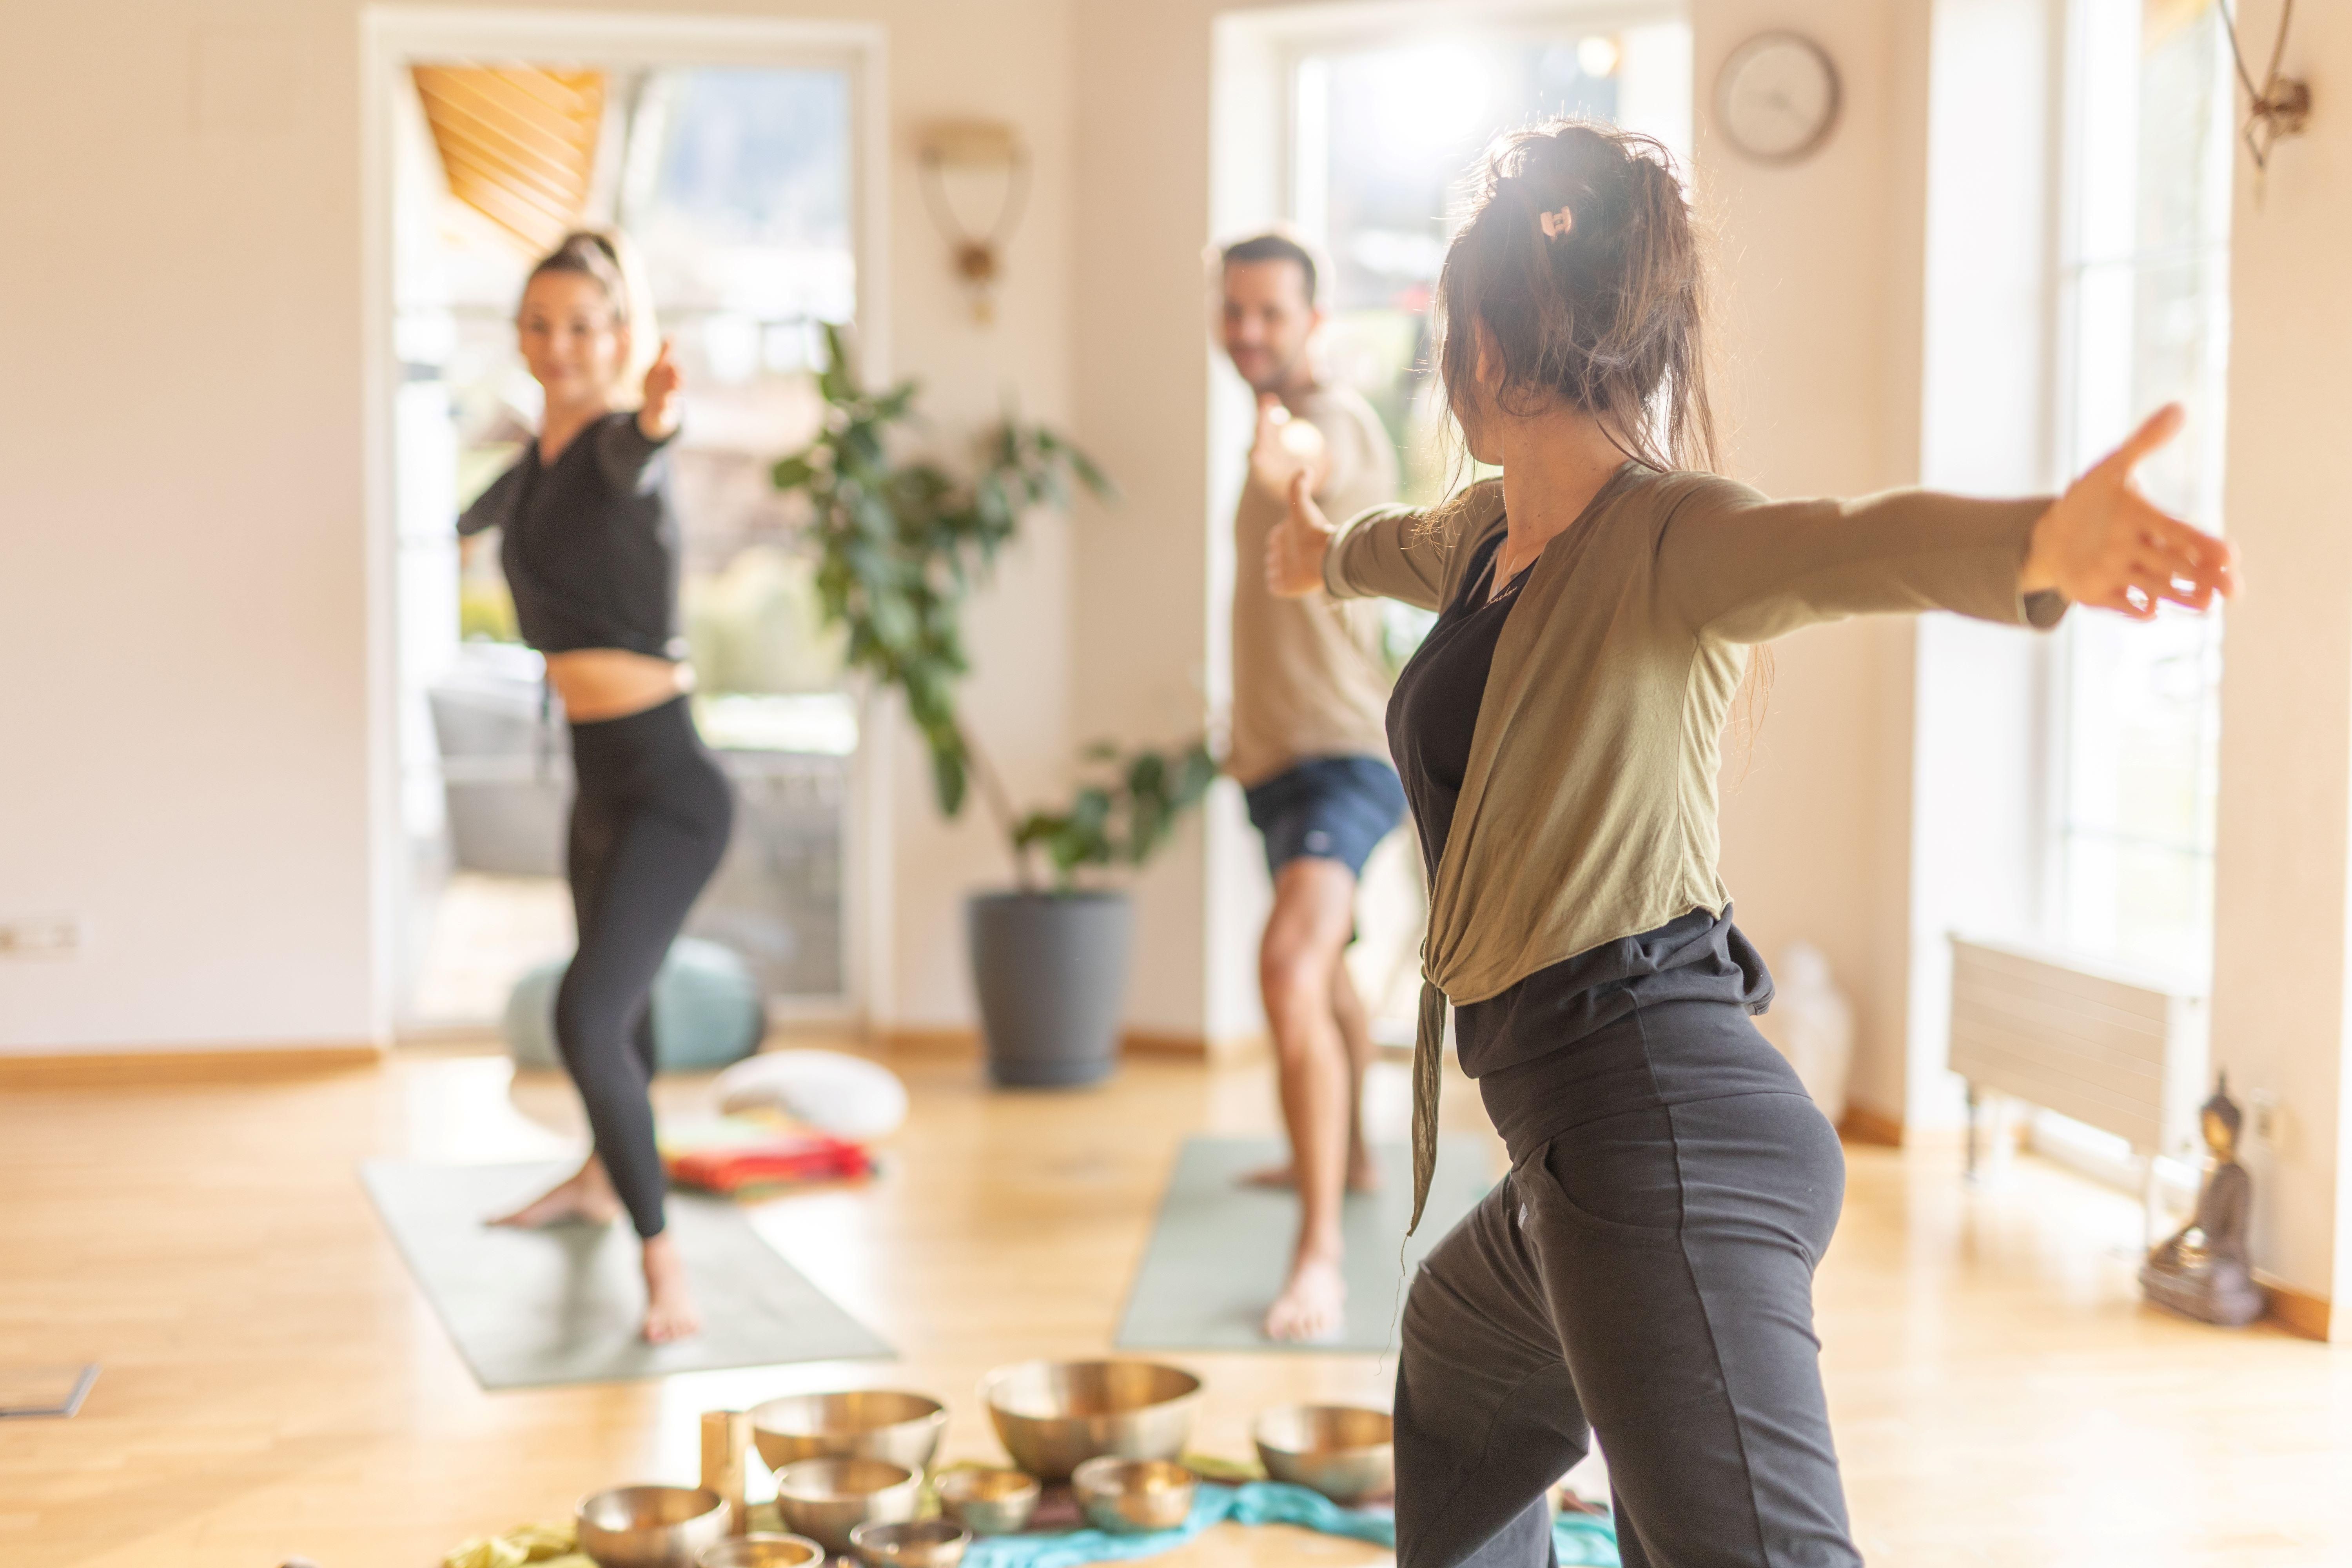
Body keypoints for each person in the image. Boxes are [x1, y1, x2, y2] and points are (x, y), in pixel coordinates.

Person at [1265, 122, 2234, 1566]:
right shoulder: (1485, 538)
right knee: (1462, 1364)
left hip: (1661, 1130)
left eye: (1446, 325)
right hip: (1572, 1140)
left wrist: (2039, 544)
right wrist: (1315, 549)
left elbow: (1838, 544)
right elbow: (1386, 546)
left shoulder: (1670, 535)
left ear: (1492, 341)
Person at [457, 231, 733, 1344]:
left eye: (583, 326)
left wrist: (659, 406)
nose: (559, 345)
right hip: (599, 782)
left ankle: (666, 1267)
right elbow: (476, 519)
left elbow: (645, 445)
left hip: (671, 787)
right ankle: (594, 1174)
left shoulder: (622, 444)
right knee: (628, 1008)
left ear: (619, 337)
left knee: (584, 1013)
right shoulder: (531, 468)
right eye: (540, 324)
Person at [1216, 231, 1406, 1342]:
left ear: (1313, 323)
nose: (1247, 331)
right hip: (1278, 760)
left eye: (1270, 314)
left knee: (1289, 964)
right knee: (1322, 967)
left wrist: (1288, 454)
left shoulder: (1333, 419)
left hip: (1345, 755)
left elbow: (1313, 459)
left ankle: (1320, 1256)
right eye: (1234, 310)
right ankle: (1352, 1156)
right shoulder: (1264, 420)